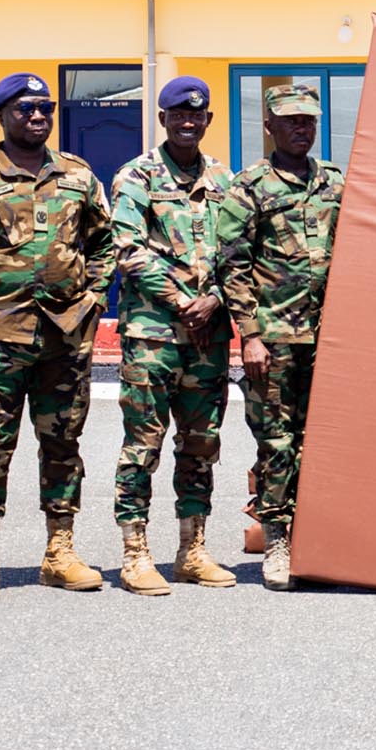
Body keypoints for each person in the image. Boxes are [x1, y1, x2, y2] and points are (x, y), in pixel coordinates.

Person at [0, 73, 114, 601]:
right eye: (25, 108)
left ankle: (60, 551)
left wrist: (95, 299)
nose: (38, 116)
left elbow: (104, 243)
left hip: (65, 337)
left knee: (62, 444)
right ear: (1, 115)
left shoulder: (78, 175)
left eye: (45, 107)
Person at [214, 84, 345, 592]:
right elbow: (232, 265)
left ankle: (317, 539)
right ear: (269, 127)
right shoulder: (249, 187)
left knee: (321, 441)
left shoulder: (334, 181)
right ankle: (276, 539)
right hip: (273, 339)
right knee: (276, 442)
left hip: (328, 339)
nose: (301, 129)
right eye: (290, 121)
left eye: (308, 121)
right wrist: (249, 335)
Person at [110, 75, 237, 596]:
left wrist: (217, 299)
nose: (188, 122)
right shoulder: (136, 176)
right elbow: (128, 248)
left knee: (201, 445)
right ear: (162, 119)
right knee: (143, 444)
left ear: (208, 120)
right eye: (178, 115)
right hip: (154, 336)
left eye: (196, 115)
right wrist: (182, 301)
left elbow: (240, 250)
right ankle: (135, 553)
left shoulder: (225, 180)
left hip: (208, 338)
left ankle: (192, 549)